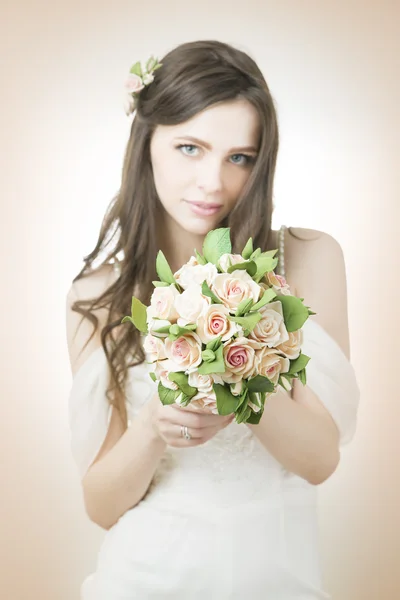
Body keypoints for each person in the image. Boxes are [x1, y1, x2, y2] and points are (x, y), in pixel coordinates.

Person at [66, 40, 360, 599]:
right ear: (147, 142)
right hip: (141, 580)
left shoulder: (309, 258)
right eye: (190, 148)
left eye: (239, 157)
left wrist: (233, 369)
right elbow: (101, 505)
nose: (213, 183)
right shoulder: (98, 295)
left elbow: (320, 460)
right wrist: (153, 427)